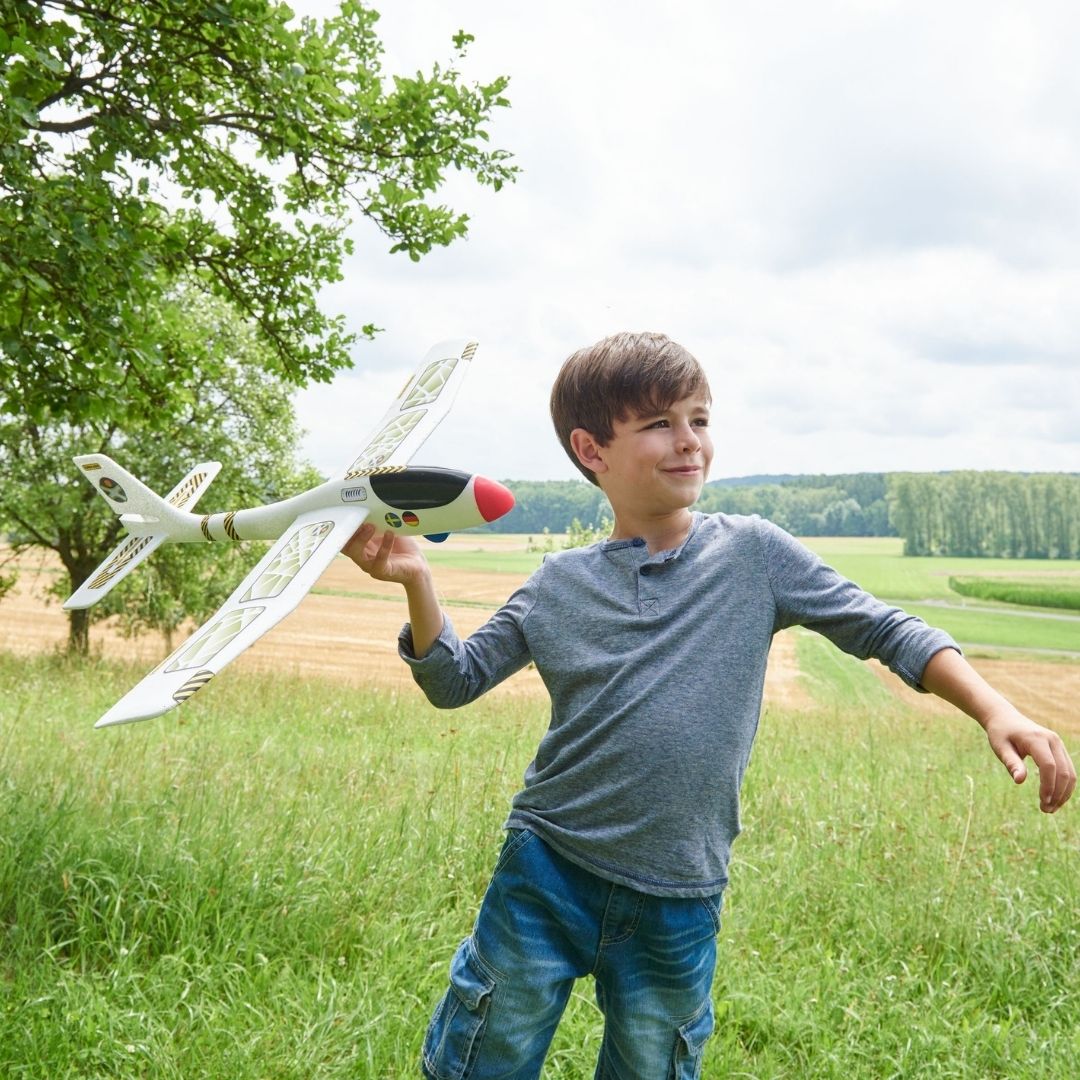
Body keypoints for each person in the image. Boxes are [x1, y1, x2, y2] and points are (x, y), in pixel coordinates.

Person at [344, 331, 1076, 1080]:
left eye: (700, 418)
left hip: (679, 894)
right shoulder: (555, 583)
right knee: (484, 1057)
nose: (690, 441)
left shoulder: (755, 554)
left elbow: (888, 628)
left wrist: (995, 708)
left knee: (653, 1068)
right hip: (546, 870)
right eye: (660, 423)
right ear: (592, 450)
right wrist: (417, 583)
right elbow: (455, 681)